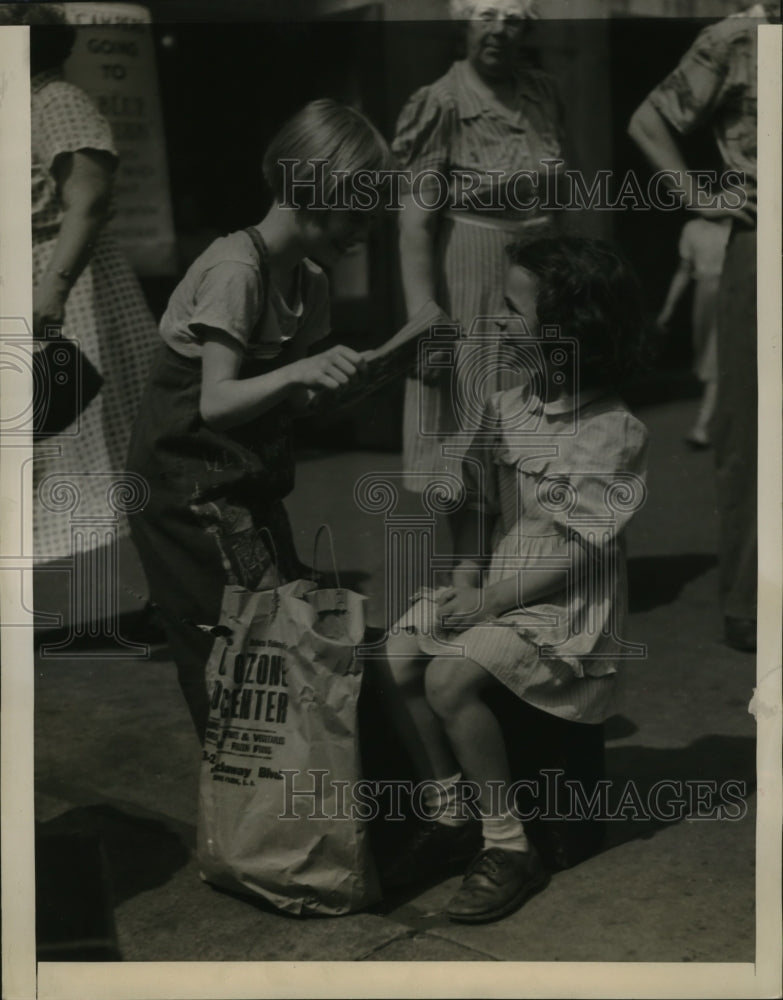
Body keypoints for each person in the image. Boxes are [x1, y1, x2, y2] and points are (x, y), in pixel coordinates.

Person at [376, 236, 649, 924]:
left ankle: (508, 844)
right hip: (497, 591)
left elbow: (581, 552)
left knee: (449, 676)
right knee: (397, 653)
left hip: (564, 614)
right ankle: (451, 813)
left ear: (565, 335)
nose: (496, 320)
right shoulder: (506, 405)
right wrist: (466, 569)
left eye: (512, 309)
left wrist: (487, 601)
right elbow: (478, 502)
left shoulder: (608, 430)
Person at [126, 99, 391, 742]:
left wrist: (347, 382)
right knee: (225, 638)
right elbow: (216, 401)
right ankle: (243, 793)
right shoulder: (235, 269)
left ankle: (280, 783)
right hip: (183, 484)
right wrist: (300, 372)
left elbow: (292, 402)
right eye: (354, 216)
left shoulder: (311, 282)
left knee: (278, 620)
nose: (361, 235)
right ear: (311, 191)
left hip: (244, 479)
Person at [627, 1, 778, 652]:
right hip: (763, 242)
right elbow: (647, 121)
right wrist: (696, 195)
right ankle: (749, 599)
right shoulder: (736, 37)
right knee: (750, 429)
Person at [391, 0, 567, 548]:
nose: (499, 31)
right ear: (463, 20)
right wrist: (426, 318)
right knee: (469, 417)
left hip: (538, 266)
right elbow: (415, 223)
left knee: (536, 412)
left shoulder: (540, 93)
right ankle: (470, 565)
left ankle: (522, 557)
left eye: (513, 19)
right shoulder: (440, 103)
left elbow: (560, 190)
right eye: (487, 15)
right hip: (470, 267)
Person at [11, 3, 162, 561]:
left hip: (71, 292)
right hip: (31, 285)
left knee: (115, 441)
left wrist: (53, 289)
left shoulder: (57, 99)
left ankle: (183, 595)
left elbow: (89, 200)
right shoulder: (17, 104)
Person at [657, 217, 731, 449]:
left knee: (715, 359)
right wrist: (668, 308)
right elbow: (684, 270)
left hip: (732, 291)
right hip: (704, 295)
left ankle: (703, 425)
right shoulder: (692, 228)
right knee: (706, 358)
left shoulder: (739, 225)